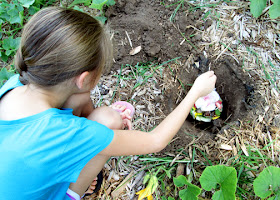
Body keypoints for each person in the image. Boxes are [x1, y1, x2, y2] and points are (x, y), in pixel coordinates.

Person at [0, 7, 216, 200]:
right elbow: (156, 141)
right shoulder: (67, 133)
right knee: (104, 119)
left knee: (93, 108)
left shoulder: (14, 86)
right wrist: (196, 92)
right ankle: (75, 190)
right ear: (83, 79)